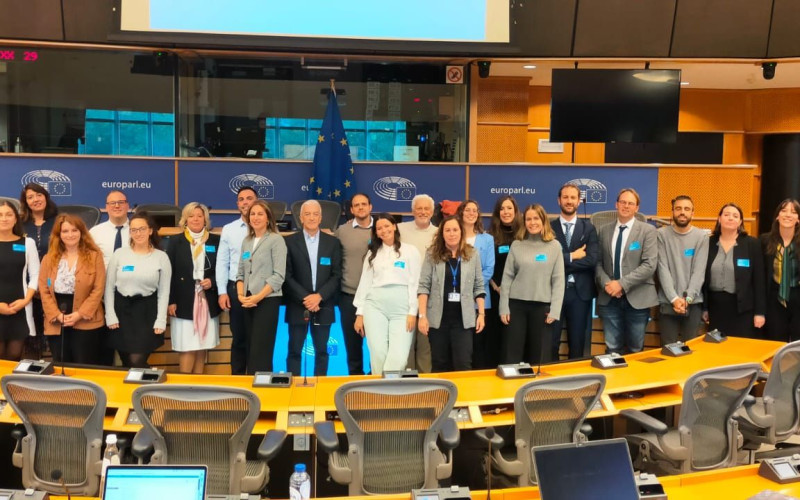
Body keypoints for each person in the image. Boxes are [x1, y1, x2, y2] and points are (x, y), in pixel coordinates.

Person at [353, 213, 420, 375]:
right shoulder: (372, 254)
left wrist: (412, 312)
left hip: (402, 307)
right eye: (379, 228)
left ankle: (392, 392)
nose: (384, 230)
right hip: (374, 306)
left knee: (398, 357)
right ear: (376, 232)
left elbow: (415, 283)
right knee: (377, 353)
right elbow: (365, 283)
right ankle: (379, 394)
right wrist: (360, 314)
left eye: (387, 226)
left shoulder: (410, 251)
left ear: (394, 226)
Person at [418, 216, 486, 372]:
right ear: (441, 233)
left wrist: (481, 314)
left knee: (463, 363)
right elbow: (423, 286)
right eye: (447, 230)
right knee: (439, 363)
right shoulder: (432, 254)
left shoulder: (472, 254)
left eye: (455, 230)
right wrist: (422, 316)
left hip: (463, 320)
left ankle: (463, 396)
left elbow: (479, 286)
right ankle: (441, 396)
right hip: (438, 319)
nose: (451, 233)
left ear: (461, 232)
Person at [499, 204, 564, 365]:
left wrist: (555, 310)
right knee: (512, 355)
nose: (532, 222)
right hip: (516, 307)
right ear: (524, 222)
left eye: (536, 218)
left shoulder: (555, 246)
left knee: (539, 357)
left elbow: (558, 281)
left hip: (542, 309)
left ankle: (537, 390)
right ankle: (511, 389)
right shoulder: (517, 245)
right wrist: (503, 307)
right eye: (528, 219)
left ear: (543, 221)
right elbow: (507, 278)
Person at [104, 212, 171, 368]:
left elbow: (164, 292)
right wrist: (110, 315)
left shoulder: (161, 257)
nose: (138, 233)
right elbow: (109, 287)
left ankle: (142, 386)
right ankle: (134, 390)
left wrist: (161, 319)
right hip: (122, 312)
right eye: (134, 230)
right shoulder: (119, 254)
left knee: (137, 361)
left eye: (142, 229)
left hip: (147, 312)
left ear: (150, 230)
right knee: (127, 361)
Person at [283, 200, 342, 376]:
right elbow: (286, 275)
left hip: (323, 304)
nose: (312, 217)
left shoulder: (332, 243)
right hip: (297, 304)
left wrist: (319, 296)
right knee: (294, 351)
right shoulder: (289, 242)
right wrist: (307, 298)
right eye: (307, 214)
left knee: (322, 352)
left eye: (315, 214)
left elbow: (337, 274)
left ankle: (319, 390)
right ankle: (292, 390)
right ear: (301, 218)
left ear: (321, 217)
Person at [595, 188, 658, 354]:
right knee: (612, 348)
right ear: (616, 204)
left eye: (631, 203)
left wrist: (621, 285)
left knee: (636, 350)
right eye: (623, 202)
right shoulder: (604, 230)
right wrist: (608, 284)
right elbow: (597, 262)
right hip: (609, 298)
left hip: (637, 298)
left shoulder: (648, 231)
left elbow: (649, 265)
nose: (626, 206)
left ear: (637, 208)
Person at [38, 214, 106, 365]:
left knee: (85, 364)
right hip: (57, 319)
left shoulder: (95, 257)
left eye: (74, 230)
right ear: (58, 235)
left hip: (86, 319)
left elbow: (98, 289)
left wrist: (79, 314)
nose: (70, 235)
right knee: (61, 364)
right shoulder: (48, 259)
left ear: (81, 233)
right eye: (65, 231)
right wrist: (56, 315)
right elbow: (44, 290)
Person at [166, 202, 220, 374]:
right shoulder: (175, 242)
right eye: (191, 216)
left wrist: (212, 281)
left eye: (199, 215)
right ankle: (184, 387)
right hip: (183, 300)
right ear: (185, 219)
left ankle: (198, 386)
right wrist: (171, 300)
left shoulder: (216, 241)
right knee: (187, 345)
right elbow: (170, 273)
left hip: (207, 299)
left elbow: (223, 268)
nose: (195, 219)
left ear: (205, 218)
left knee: (201, 345)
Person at [236, 200, 286, 374]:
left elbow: (278, 276)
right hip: (247, 301)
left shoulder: (276, 240)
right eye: (252, 214)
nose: (255, 217)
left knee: (261, 350)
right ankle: (251, 390)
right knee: (250, 348)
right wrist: (241, 296)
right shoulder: (247, 241)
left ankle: (263, 393)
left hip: (267, 301)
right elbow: (240, 273)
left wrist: (257, 297)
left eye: (260, 214)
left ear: (268, 218)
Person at [550, 183, 599, 360]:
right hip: (553, 292)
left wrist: (561, 261)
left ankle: (574, 382)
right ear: (558, 200)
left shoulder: (589, 228)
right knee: (551, 342)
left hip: (580, 294)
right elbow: (547, 261)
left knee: (577, 343)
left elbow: (591, 260)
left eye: (573, 198)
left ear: (579, 201)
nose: (569, 201)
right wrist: (573, 256)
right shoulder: (548, 228)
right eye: (565, 197)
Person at [703, 203, 765, 339]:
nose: (730, 218)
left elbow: (759, 281)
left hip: (742, 309)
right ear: (719, 219)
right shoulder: (708, 243)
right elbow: (703, 278)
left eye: (735, 216)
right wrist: (705, 307)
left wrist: (760, 312)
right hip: (716, 308)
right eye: (726, 215)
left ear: (740, 222)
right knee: (717, 350)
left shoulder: (751, 244)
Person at [216, 186, 258, 375]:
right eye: (241, 199)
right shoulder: (229, 229)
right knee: (239, 338)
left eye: (249, 198)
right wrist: (222, 291)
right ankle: (239, 382)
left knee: (258, 339)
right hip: (236, 290)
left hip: (261, 290)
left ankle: (258, 382)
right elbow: (222, 262)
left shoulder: (268, 228)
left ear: (256, 201)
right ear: (237, 204)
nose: (245, 202)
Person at [656, 196, 709, 345]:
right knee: (668, 350)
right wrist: (674, 298)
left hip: (693, 303)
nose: (682, 212)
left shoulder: (702, 237)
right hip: (668, 301)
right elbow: (662, 268)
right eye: (678, 208)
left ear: (693, 213)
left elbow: (699, 272)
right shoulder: (661, 235)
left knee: (690, 350)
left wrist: (688, 299)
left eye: (687, 209)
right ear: (672, 211)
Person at [398, 194, 437, 373]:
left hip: (428, 296)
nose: (423, 212)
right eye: (419, 208)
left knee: (425, 342)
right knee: (405, 341)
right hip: (404, 294)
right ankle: (407, 385)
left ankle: (425, 385)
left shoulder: (439, 233)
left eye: (426, 208)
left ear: (432, 211)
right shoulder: (400, 229)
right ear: (412, 211)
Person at [335, 193, 373, 375]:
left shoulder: (383, 229)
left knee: (377, 347)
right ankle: (355, 387)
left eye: (364, 204)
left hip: (376, 299)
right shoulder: (342, 231)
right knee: (353, 349)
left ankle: (377, 387)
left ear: (370, 207)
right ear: (351, 210)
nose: (360, 208)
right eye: (356, 205)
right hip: (349, 297)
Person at [19, 182, 59, 355]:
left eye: (39, 195)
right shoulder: (19, 224)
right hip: (26, 285)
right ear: (25, 202)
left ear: (46, 197)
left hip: (54, 283)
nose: (35, 199)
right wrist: (32, 286)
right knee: (30, 336)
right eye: (30, 197)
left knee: (53, 332)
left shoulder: (59, 221)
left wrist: (43, 286)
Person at [485, 195, 523, 368]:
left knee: (515, 338)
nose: (506, 212)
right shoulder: (489, 236)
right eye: (502, 208)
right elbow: (485, 266)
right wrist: (496, 286)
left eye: (509, 208)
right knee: (495, 338)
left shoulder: (525, 234)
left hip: (519, 295)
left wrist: (511, 288)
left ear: (515, 211)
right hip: (495, 293)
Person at [456, 200, 494, 368]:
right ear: (461, 213)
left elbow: (488, 269)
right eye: (467, 210)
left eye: (475, 210)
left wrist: (471, 290)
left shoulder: (487, 239)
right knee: (460, 346)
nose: (471, 213)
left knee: (478, 345)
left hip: (480, 301)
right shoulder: (453, 236)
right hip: (456, 299)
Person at [0, 201, 39, 361]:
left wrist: (26, 300)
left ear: (16, 219)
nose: (4, 218)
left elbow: (36, 275)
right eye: (0, 215)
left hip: (19, 308)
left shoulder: (27, 243)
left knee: (14, 356)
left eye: (9, 214)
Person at [761, 199, 800, 343]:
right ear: (777, 216)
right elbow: (760, 275)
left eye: (794, 212)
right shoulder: (765, 240)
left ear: (798, 219)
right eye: (784, 211)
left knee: (797, 345)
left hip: (797, 296)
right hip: (773, 299)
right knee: (774, 342)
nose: (788, 215)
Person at [90, 190, 130, 267]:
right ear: (106, 207)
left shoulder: (138, 231)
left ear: (127, 206)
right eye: (112, 203)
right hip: (103, 276)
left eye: (121, 202)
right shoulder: (94, 232)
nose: (117, 206)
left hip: (131, 276)